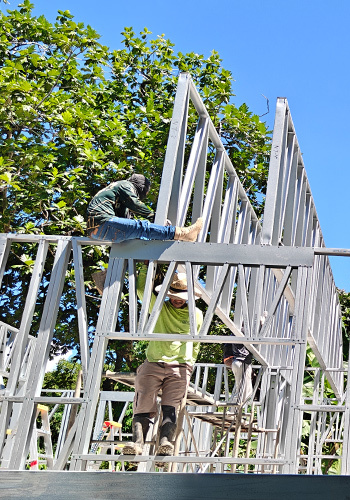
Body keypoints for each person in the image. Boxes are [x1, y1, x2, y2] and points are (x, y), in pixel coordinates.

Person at [122, 268, 203, 461]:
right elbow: (141, 291)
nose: (177, 300)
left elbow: (197, 341)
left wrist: (190, 363)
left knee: (171, 407)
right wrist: (146, 267)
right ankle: (137, 443)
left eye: (181, 297)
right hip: (154, 362)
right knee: (143, 402)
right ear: (168, 294)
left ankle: (165, 443)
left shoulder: (197, 314)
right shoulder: (160, 307)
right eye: (174, 296)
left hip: (180, 366)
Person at [87, 173, 203, 243]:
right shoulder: (125, 185)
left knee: (133, 243)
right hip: (103, 222)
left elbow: (127, 220)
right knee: (142, 227)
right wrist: (154, 217)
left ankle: (106, 275)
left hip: (96, 231)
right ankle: (182, 233)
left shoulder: (116, 194)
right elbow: (134, 203)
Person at [223, 340, 254, 405]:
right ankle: (233, 410)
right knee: (242, 393)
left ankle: (234, 409)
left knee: (247, 392)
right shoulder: (240, 334)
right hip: (242, 362)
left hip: (239, 362)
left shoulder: (233, 337)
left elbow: (226, 360)